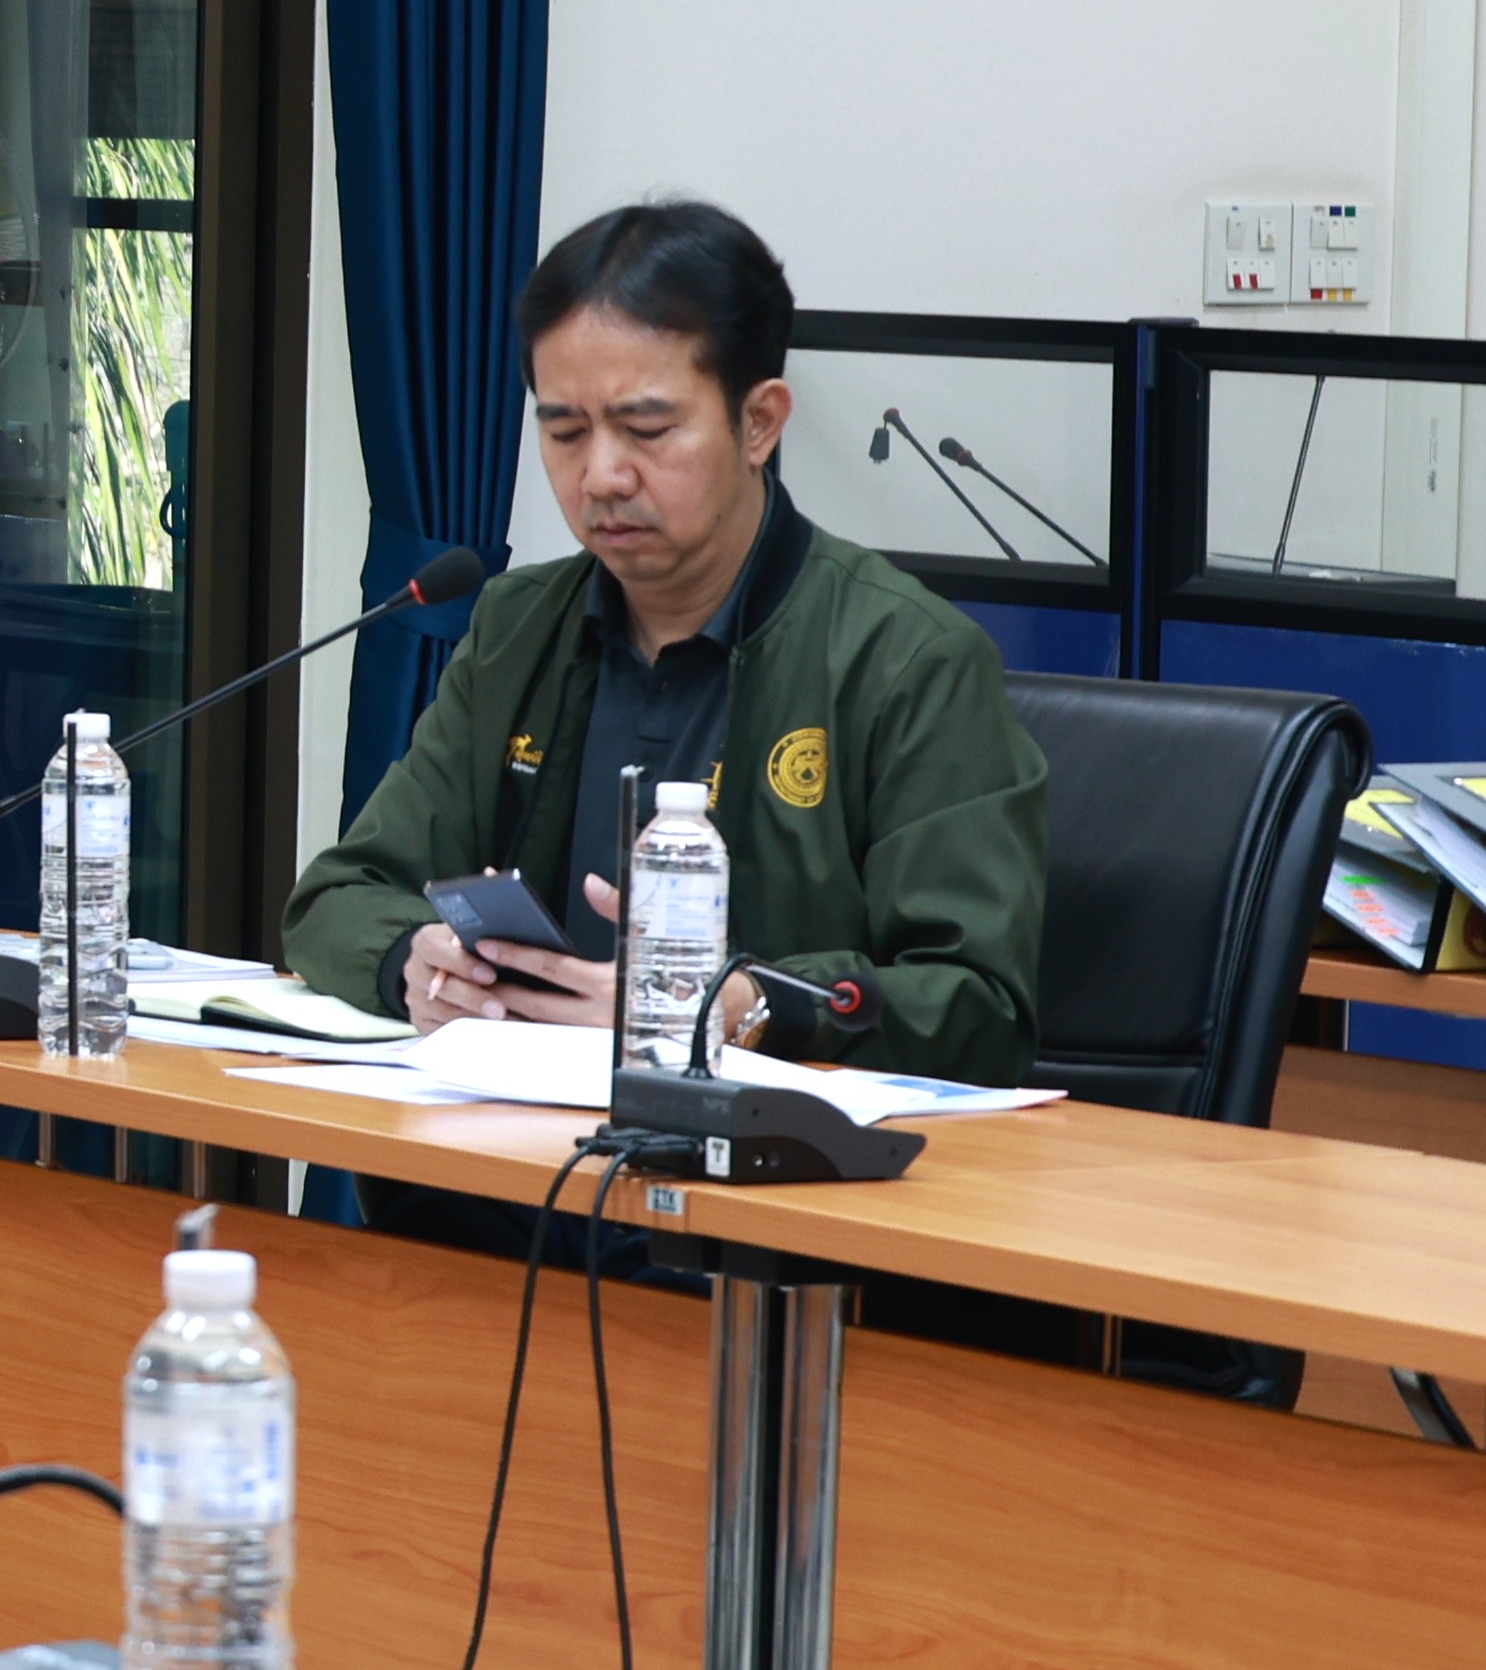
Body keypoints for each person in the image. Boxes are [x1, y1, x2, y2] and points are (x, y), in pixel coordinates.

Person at [280, 200, 1046, 1084]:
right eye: (565, 431)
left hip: (772, 1161)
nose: (601, 474)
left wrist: (745, 1004)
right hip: (516, 1143)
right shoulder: (517, 627)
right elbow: (334, 899)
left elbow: (980, 1006)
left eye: (646, 430)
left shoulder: (907, 659)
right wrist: (411, 963)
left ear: (759, 422)